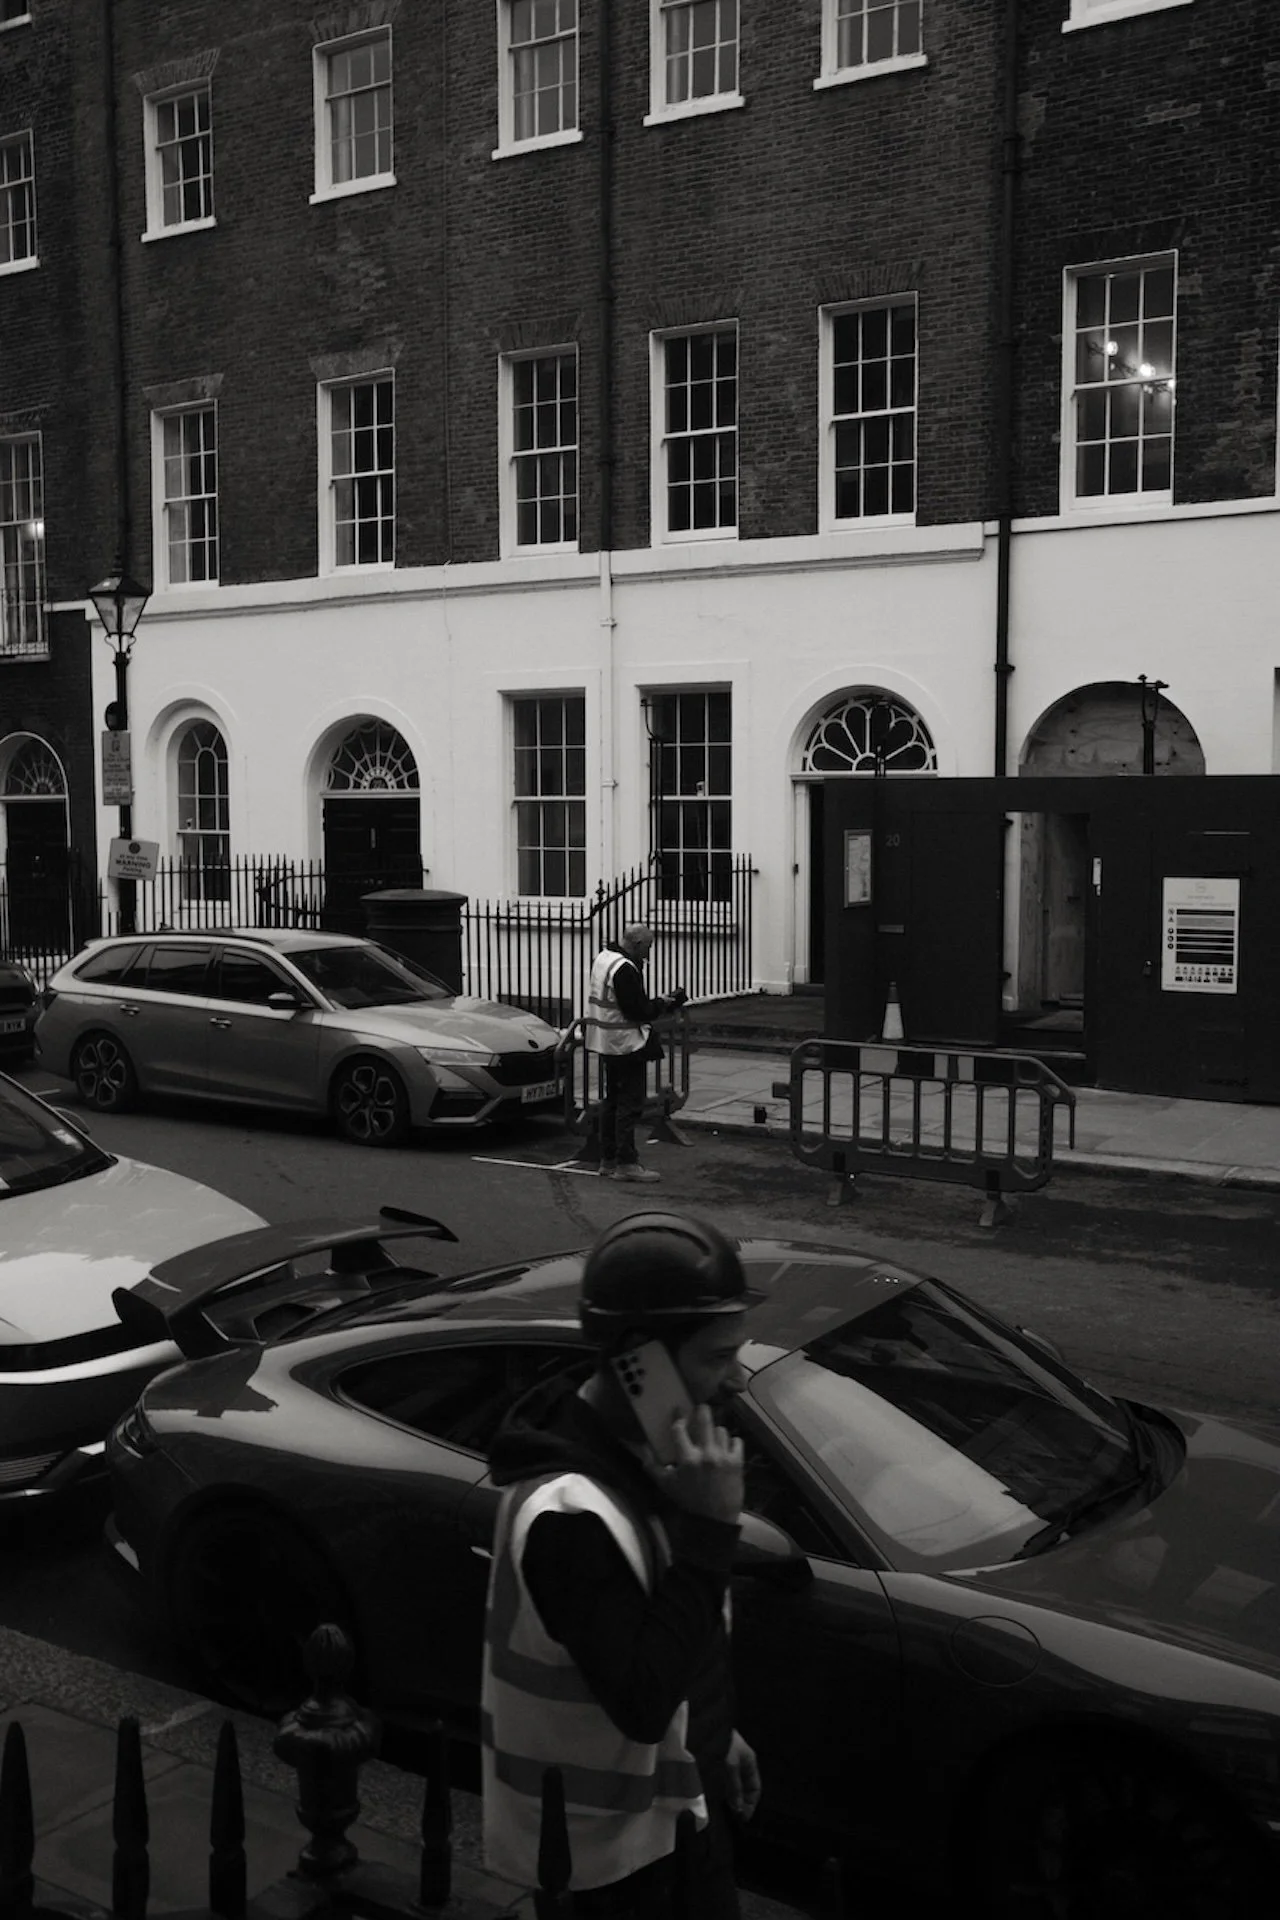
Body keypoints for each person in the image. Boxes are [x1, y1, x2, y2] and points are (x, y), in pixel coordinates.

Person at [481, 1212, 762, 1917]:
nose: (734, 1381)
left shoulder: (641, 1454)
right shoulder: (568, 1515)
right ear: (639, 1357)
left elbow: (657, 1627)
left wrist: (709, 1731)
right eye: (716, 1356)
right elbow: (638, 1700)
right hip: (610, 1864)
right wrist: (710, 1528)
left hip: (674, 1813)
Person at [584, 923, 687, 1184]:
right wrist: (661, 1004)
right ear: (637, 944)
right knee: (630, 1103)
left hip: (606, 1041)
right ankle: (626, 1163)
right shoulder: (624, 969)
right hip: (626, 1043)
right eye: (648, 948)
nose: (649, 954)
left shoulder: (604, 958)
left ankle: (608, 1160)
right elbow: (636, 1010)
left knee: (612, 1100)